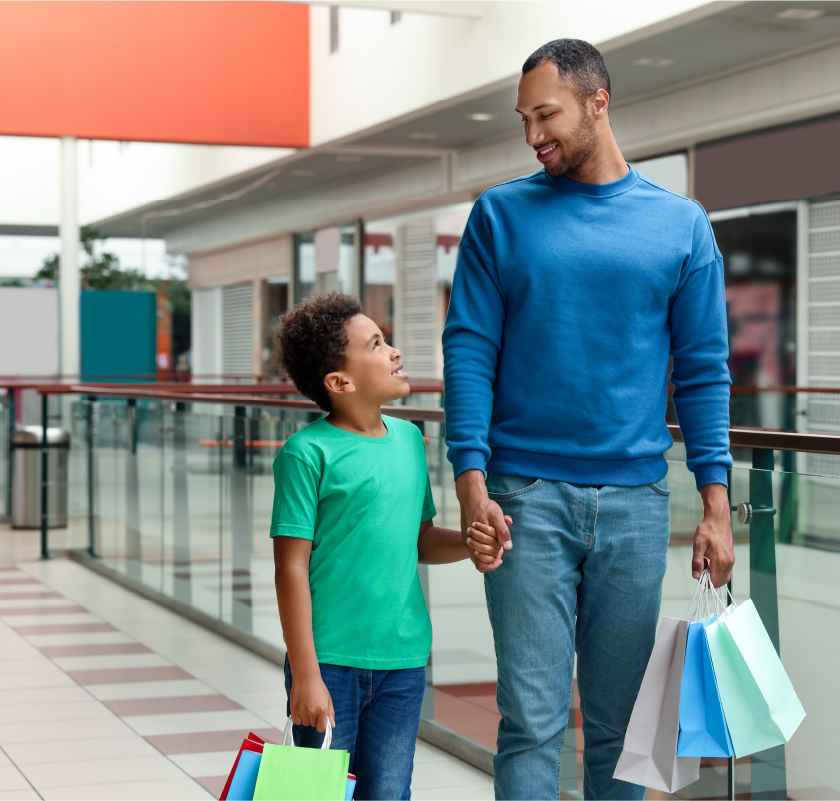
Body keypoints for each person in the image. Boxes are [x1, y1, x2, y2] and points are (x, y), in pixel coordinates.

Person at [442, 38, 734, 801]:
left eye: (547, 114)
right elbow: (468, 350)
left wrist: (715, 507)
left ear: (597, 103)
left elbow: (703, 372)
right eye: (523, 119)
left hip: (636, 506)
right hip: (522, 500)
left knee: (620, 727)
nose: (533, 134)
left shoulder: (680, 226)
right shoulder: (500, 216)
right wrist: (471, 485)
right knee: (530, 721)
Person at [269, 292, 503, 800]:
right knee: (316, 793)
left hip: (402, 660)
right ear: (339, 382)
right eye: (375, 344)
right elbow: (290, 569)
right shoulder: (305, 454)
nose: (393, 351)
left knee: (389, 793)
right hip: (327, 661)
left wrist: (469, 542)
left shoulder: (410, 440)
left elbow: (418, 538)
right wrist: (305, 674)